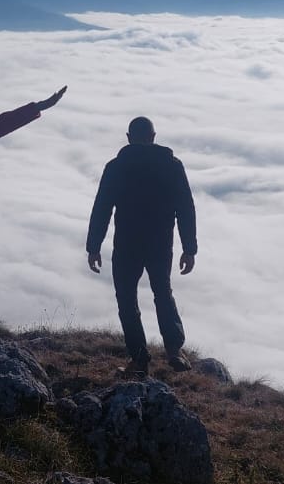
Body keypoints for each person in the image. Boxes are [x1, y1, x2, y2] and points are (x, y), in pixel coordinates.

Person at [86, 116, 198, 378]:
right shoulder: (172, 166)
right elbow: (185, 208)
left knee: (126, 300)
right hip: (160, 243)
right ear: (153, 136)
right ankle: (174, 350)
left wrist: (93, 246)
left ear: (128, 137)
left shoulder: (116, 167)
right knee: (163, 292)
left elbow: (102, 207)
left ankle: (139, 358)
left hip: (127, 243)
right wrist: (189, 248)